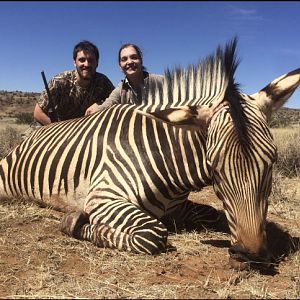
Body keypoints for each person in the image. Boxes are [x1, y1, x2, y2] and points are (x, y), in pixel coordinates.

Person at [34, 40, 114, 125]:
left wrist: (100, 104)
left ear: (97, 63)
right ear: (74, 62)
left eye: (91, 60)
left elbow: (118, 100)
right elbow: (38, 113)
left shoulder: (103, 82)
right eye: (82, 60)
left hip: (83, 131)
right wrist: (60, 130)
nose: (86, 64)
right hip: (55, 130)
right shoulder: (59, 81)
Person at [85, 43, 164, 115]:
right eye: (124, 59)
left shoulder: (161, 81)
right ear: (120, 65)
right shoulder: (121, 89)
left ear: (141, 61)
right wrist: (96, 109)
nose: (129, 62)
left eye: (134, 57)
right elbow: (108, 104)